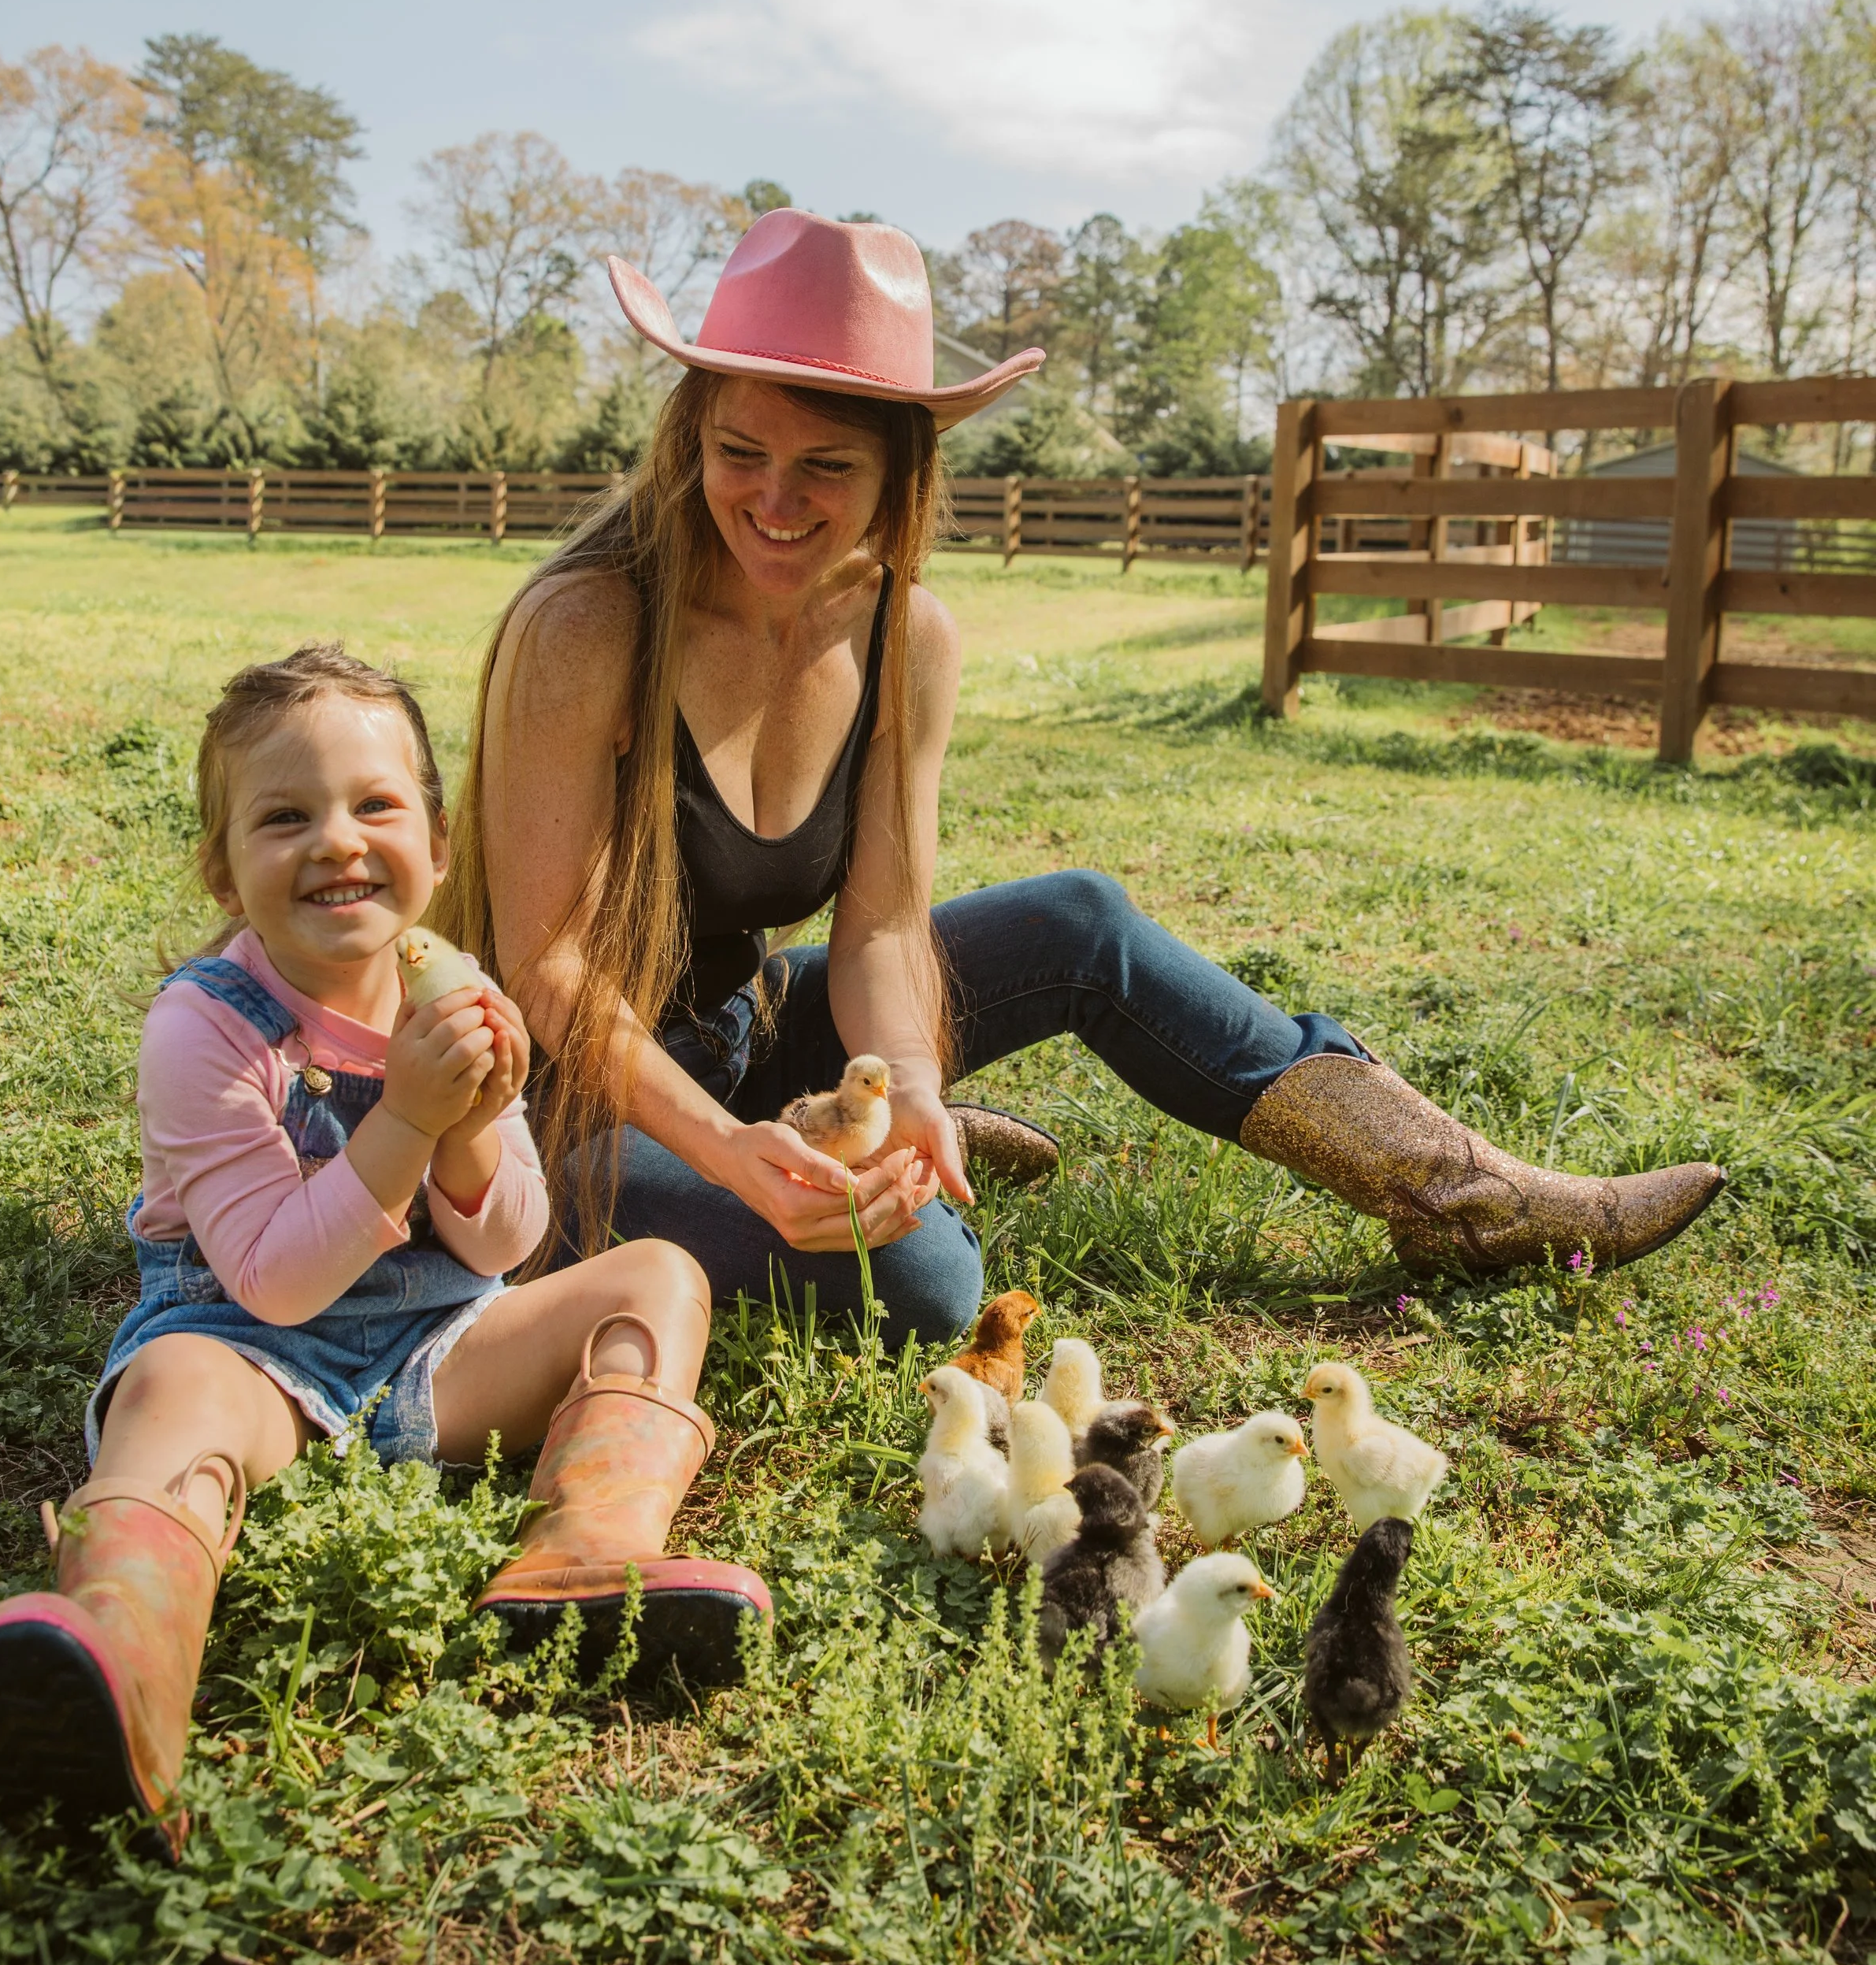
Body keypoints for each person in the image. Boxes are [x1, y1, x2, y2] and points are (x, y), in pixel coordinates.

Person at [434, 209, 1724, 1500]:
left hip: (749, 1026)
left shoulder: (903, 634)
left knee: (1081, 920)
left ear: (901, 472)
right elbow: (543, 967)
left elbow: (883, 926)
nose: (775, 501)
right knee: (934, 1280)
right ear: (691, 430)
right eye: (739, 451)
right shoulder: (590, 622)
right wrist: (731, 1152)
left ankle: (1465, 1200)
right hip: (561, 1102)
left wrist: (922, 1089)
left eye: (825, 466)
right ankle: (809, 1140)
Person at [0, 644, 767, 1859]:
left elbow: (510, 1241)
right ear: (224, 868)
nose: (336, 839)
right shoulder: (205, 1027)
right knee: (171, 1397)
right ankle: (122, 1653)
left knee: (659, 1278)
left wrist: (479, 1132)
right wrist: (408, 1121)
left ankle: (586, 1551)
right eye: (285, 816)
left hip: (440, 1347)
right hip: (250, 1349)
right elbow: (274, 1277)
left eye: (376, 806)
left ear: (436, 843)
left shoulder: (461, 992)